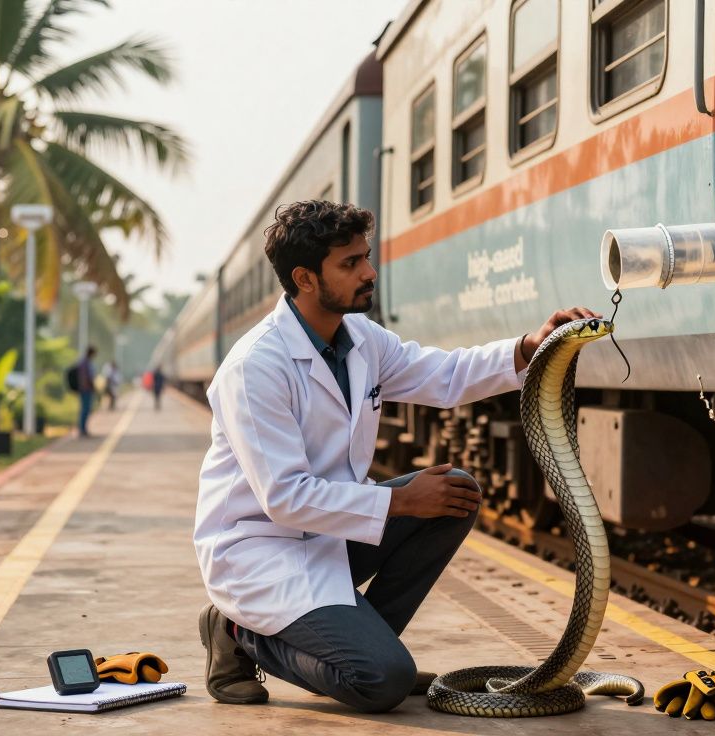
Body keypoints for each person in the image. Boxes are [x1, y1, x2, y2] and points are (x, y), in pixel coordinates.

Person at [193, 200, 599, 713]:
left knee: (457, 493)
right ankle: (237, 629)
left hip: (329, 532)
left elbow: (444, 375)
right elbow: (285, 499)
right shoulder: (256, 368)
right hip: (261, 551)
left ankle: (352, 646)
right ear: (305, 278)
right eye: (350, 263)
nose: (369, 273)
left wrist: (530, 345)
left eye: (366, 257)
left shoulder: (360, 338)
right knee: (382, 683)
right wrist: (401, 502)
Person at [76, 347, 96, 437]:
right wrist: (92, 386)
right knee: (85, 409)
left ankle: (83, 428)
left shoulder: (84, 363)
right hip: (86, 389)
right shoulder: (85, 363)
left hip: (84, 389)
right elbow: (87, 378)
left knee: (85, 409)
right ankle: (82, 429)